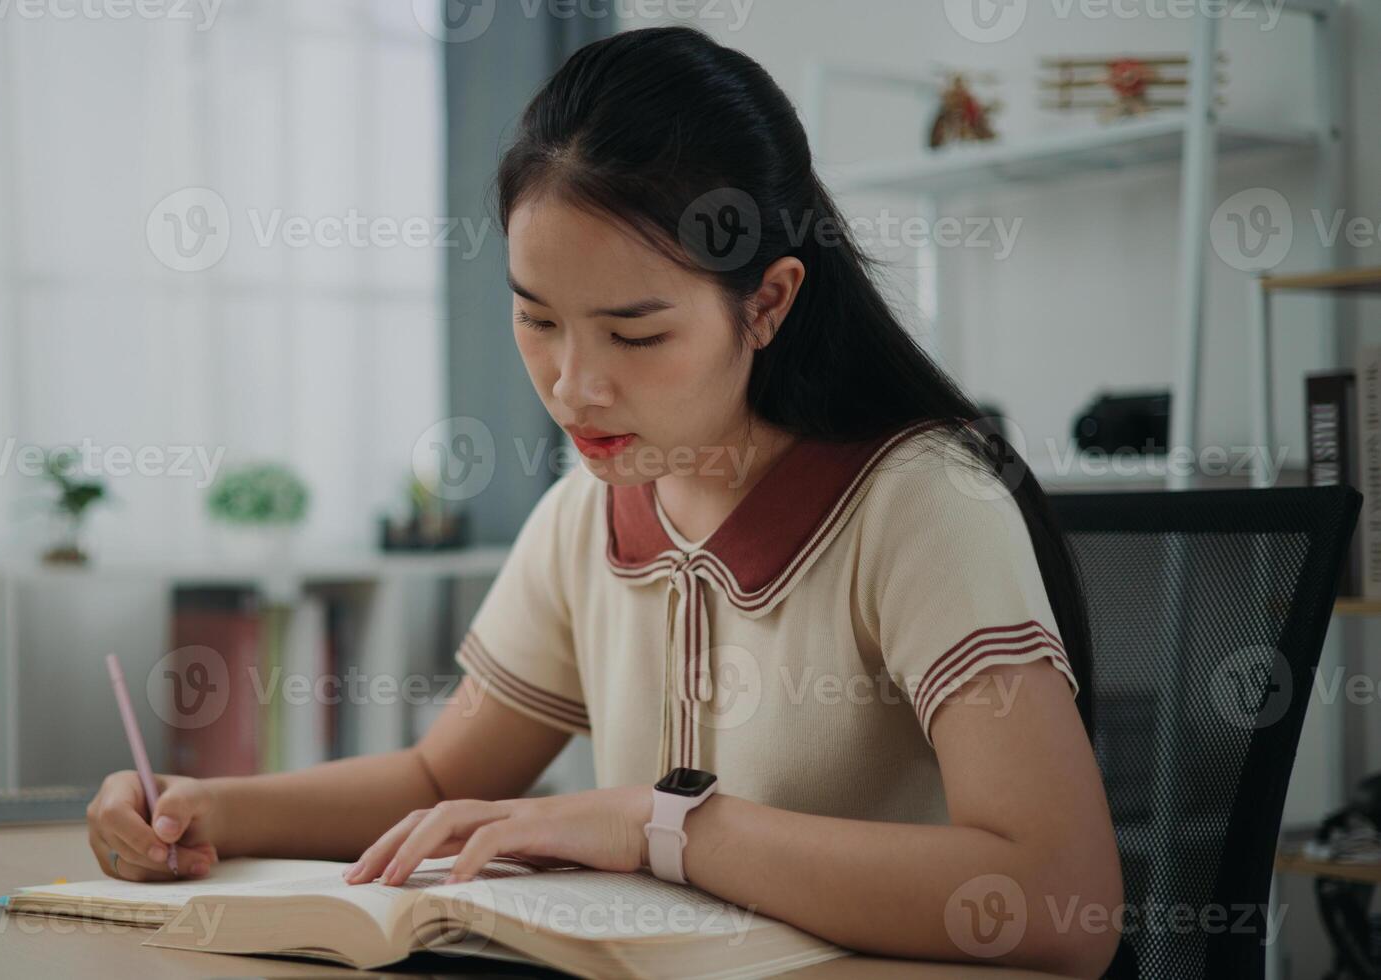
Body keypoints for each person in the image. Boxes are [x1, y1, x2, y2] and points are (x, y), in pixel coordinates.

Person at [88, 25, 1122, 977]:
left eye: (633, 334)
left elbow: (1059, 895)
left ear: (765, 302)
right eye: (536, 319)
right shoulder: (589, 510)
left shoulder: (918, 503)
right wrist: (202, 807)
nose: (572, 385)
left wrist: (658, 825)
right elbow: (435, 777)